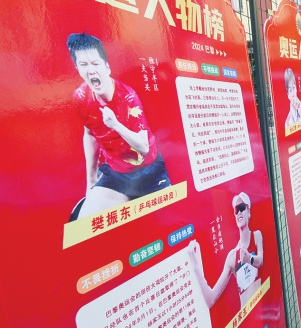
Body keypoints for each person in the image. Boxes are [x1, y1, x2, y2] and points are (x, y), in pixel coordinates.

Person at [69, 32, 170, 219]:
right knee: (86, 223)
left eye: (95, 63)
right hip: (116, 175)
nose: (90, 70)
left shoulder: (128, 97)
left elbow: (144, 147)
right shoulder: (80, 98)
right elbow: (90, 134)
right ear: (77, 68)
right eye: (83, 65)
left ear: (107, 67)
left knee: (165, 223)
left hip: (150, 171)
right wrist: (90, 180)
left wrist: (115, 124)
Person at [188, 192, 265, 308]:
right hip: (247, 317)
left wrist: (249, 258)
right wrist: (195, 265)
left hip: (261, 309)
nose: (238, 212)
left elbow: (261, 261)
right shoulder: (232, 256)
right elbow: (210, 299)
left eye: (241, 207)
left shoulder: (257, 235)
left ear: (249, 212)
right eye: (235, 210)